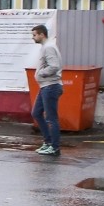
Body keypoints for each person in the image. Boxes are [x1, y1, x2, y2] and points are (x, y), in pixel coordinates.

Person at [31, 23, 63, 156]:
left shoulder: (48, 47)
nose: (33, 38)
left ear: (42, 35)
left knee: (51, 118)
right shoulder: (46, 47)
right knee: (36, 113)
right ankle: (48, 142)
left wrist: (41, 74)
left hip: (50, 86)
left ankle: (54, 147)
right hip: (46, 86)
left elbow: (54, 66)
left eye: (34, 35)